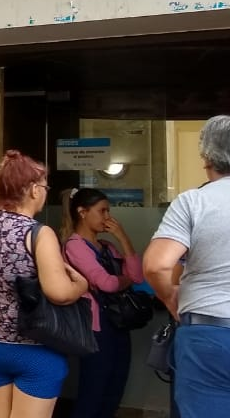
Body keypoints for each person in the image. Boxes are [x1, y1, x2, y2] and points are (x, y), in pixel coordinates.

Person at [0, 150, 88, 418]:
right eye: (45, 188)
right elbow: (59, 293)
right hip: (34, 349)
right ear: (35, 190)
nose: (45, 193)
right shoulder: (37, 233)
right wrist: (81, 285)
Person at [145, 115, 230, 418]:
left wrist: (170, 297)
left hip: (209, 334)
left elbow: (156, 266)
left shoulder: (194, 201)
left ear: (206, 157)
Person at [61, 188, 143, 418]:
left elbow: (137, 276)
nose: (108, 217)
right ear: (82, 212)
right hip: (96, 327)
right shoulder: (75, 245)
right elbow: (106, 283)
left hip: (118, 323)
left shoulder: (107, 246)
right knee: (94, 390)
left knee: (114, 389)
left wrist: (123, 238)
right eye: (102, 211)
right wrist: (124, 280)